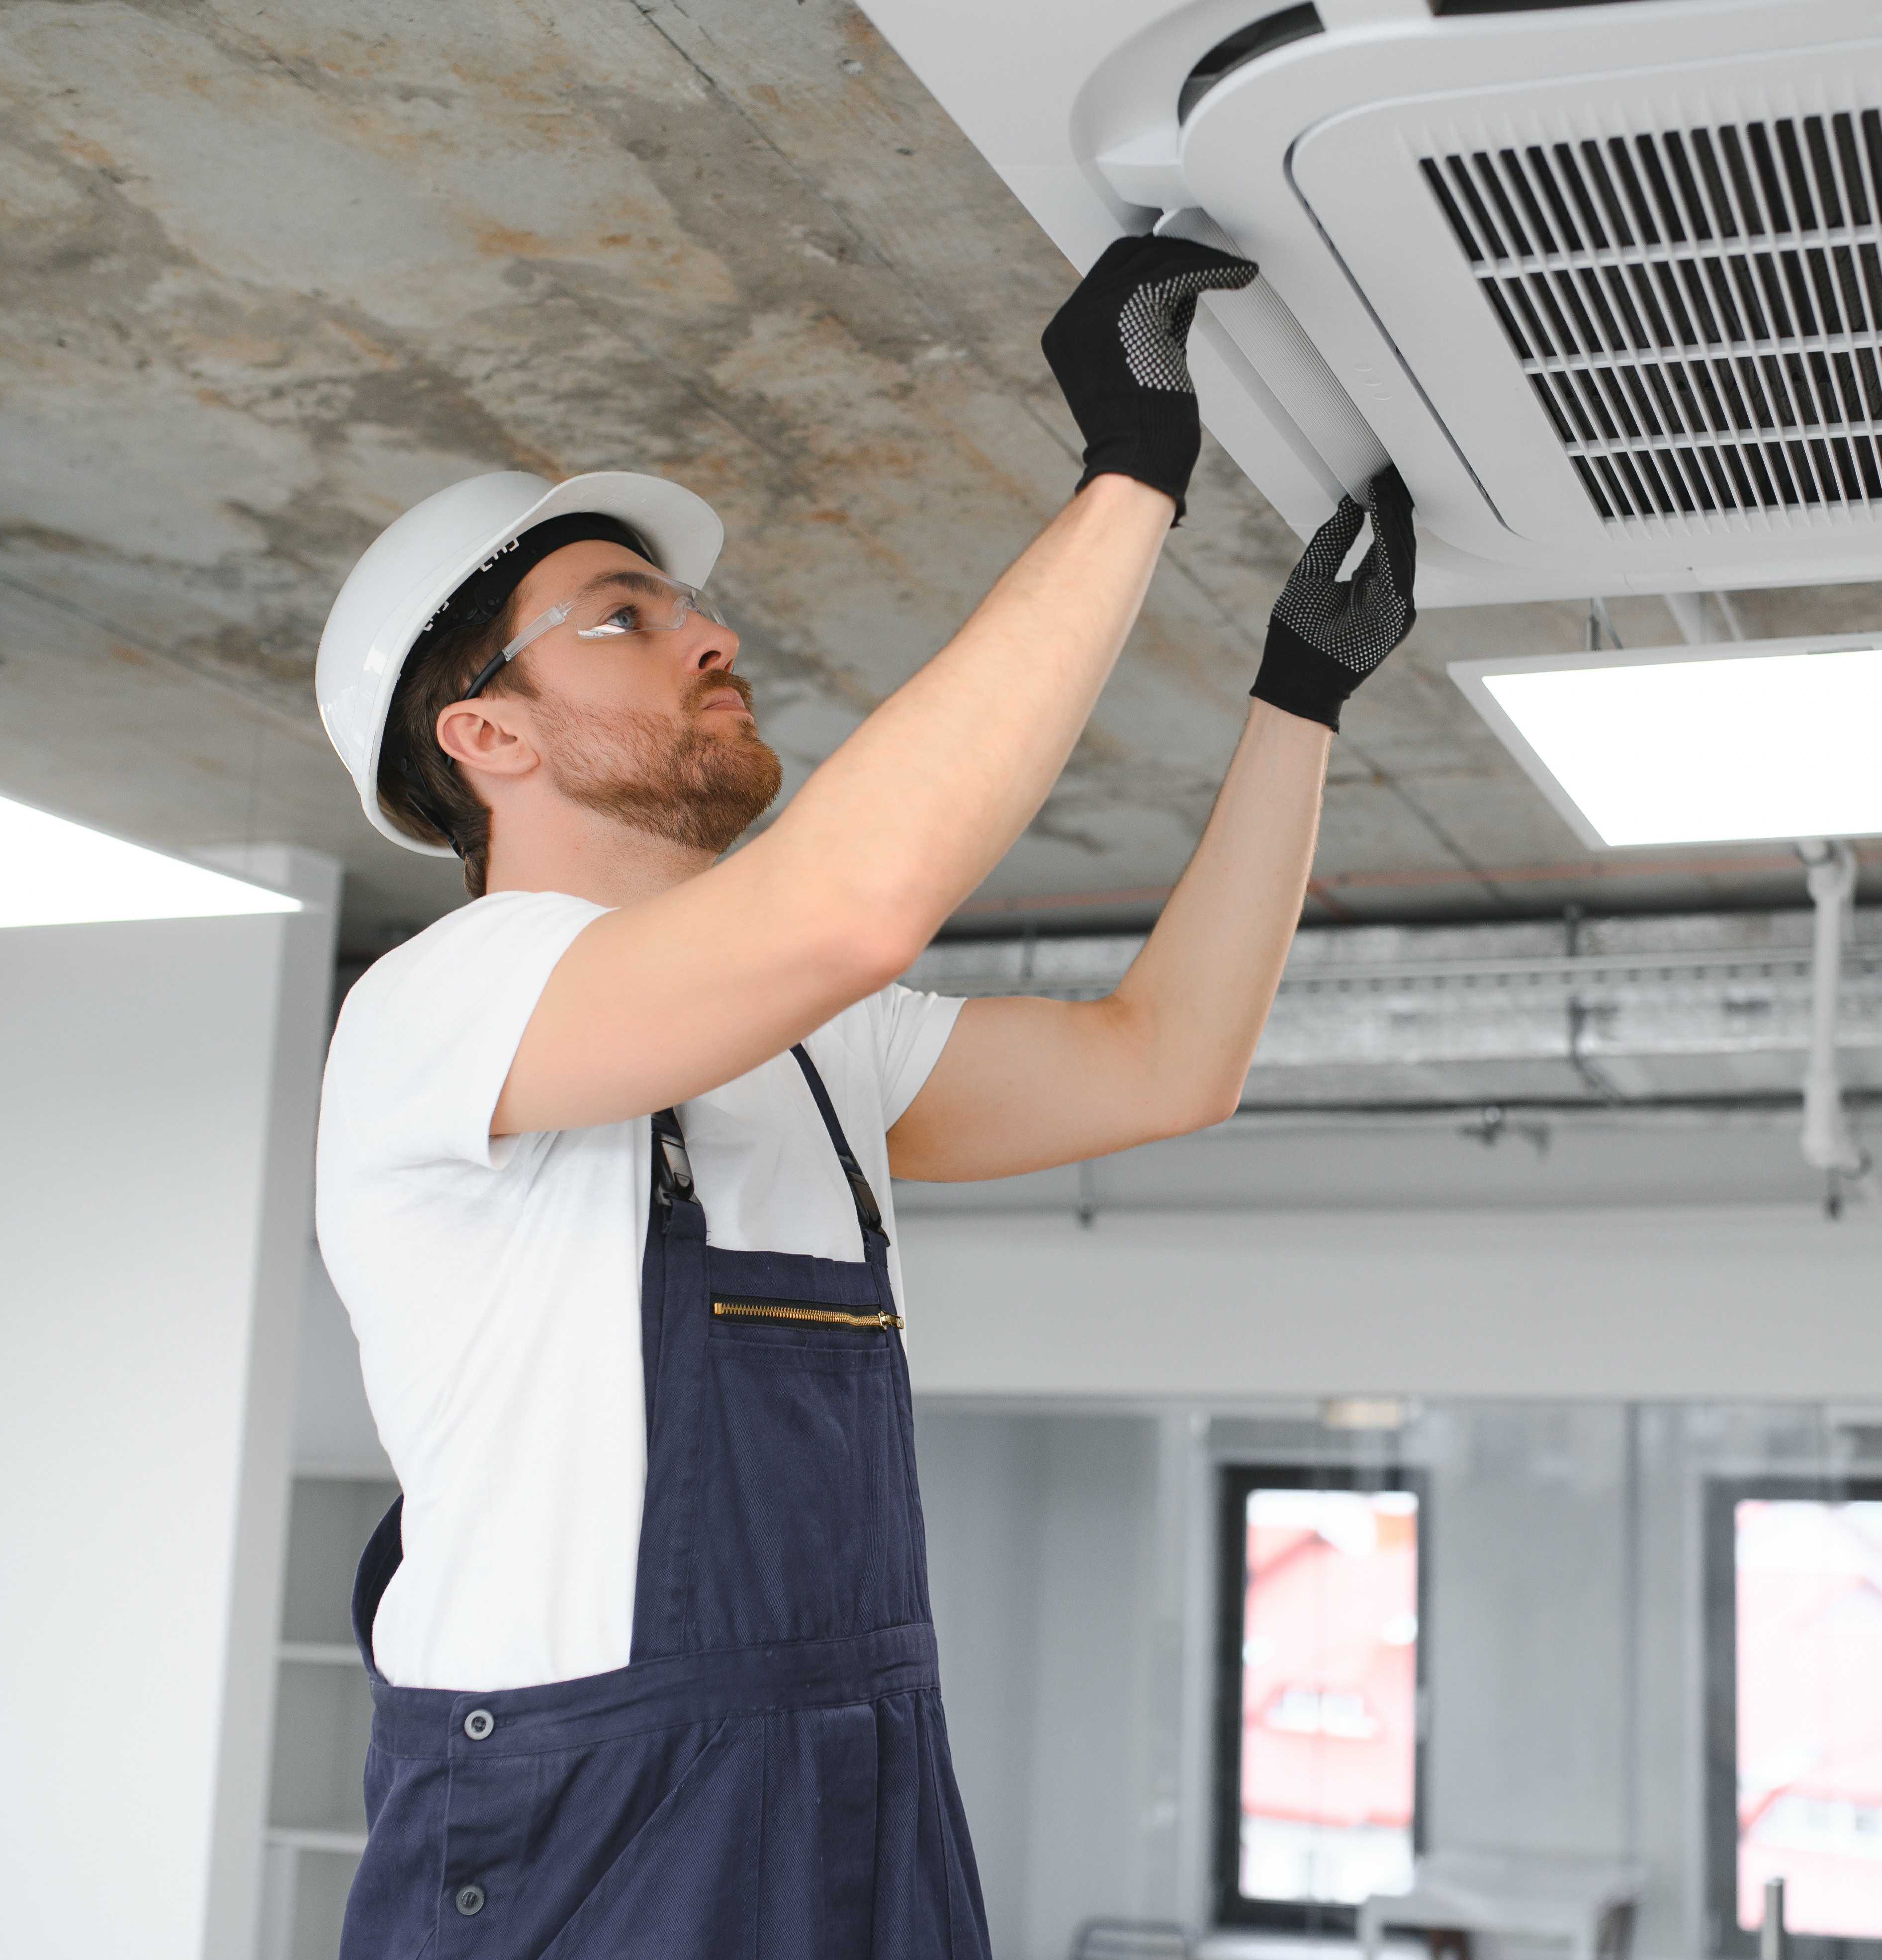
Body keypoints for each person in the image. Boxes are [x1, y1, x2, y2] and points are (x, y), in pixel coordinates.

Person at [308, 234, 1418, 1958]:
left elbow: (1167, 1060)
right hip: (588, 1816)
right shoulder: (436, 1010)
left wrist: (1301, 699)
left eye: (684, 608)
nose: (710, 636)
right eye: (624, 615)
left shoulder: (826, 1046)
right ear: (487, 737)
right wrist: (1132, 475)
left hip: (867, 1761)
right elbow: (846, 903)